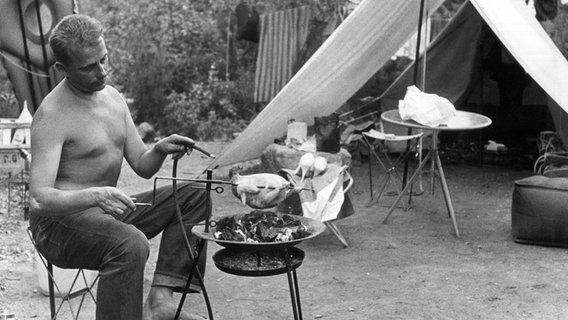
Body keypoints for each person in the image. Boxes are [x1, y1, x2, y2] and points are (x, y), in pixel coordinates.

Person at [28, 14, 208, 320]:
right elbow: (39, 198)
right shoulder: (52, 114)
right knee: (130, 244)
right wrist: (95, 195)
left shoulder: (112, 98)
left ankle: (160, 301)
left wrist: (160, 149)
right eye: (88, 67)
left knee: (195, 195)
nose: (101, 72)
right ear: (62, 69)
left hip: (107, 214)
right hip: (59, 225)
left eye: (103, 59)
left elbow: (142, 165)